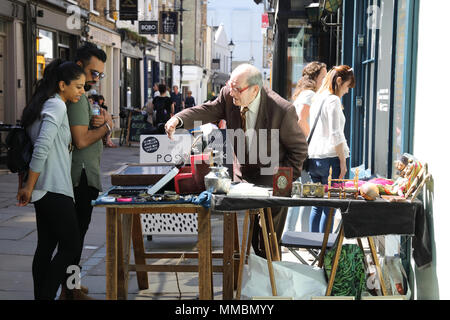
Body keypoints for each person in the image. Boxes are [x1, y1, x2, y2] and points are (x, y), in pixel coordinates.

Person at [165, 63, 308, 258]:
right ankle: (241, 278)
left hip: (272, 180)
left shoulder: (282, 110)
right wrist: (178, 120)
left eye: (236, 89)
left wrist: (282, 183)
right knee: (241, 240)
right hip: (243, 179)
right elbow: (206, 110)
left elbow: (299, 151)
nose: (232, 93)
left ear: (255, 89)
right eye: (230, 86)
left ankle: (269, 282)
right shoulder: (228, 96)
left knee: (268, 241)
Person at [16, 59, 86, 300]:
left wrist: (30, 185)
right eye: (78, 86)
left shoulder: (40, 105)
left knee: (45, 247)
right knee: (71, 247)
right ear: (62, 85)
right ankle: (47, 295)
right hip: (54, 187)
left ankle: (41, 297)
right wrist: (28, 186)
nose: (82, 91)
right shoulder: (57, 105)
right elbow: (42, 147)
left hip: (43, 189)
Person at [65, 42, 113, 299]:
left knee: (77, 236)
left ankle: (71, 284)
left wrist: (101, 121)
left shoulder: (82, 95)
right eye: (94, 73)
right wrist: (106, 127)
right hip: (78, 176)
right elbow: (81, 140)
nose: (96, 79)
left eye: (100, 75)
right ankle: (70, 288)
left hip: (85, 173)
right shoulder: (75, 97)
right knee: (75, 237)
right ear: (80, 66)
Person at [308, 65, 355, 233]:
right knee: (330, 208)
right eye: (347, 86)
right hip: (331, 160)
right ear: (339, 81)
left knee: (317, 206)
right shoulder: (333, 100)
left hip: (314, 159)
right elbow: (336, 134)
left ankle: (314, 248)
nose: (348, 91)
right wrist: (343, 162)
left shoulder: (318, 98)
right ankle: (324, 250)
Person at [283, 62, 327, 236]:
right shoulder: (309, 94)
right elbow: (301, 120)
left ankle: (292, 233)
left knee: (300, 192)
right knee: (306, 192)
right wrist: (312, 140)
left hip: (296, 149)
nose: (324, 81)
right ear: (315, 77)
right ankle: (299, 235)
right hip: (304, 150)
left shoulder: (302, 93)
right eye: (323, 77)